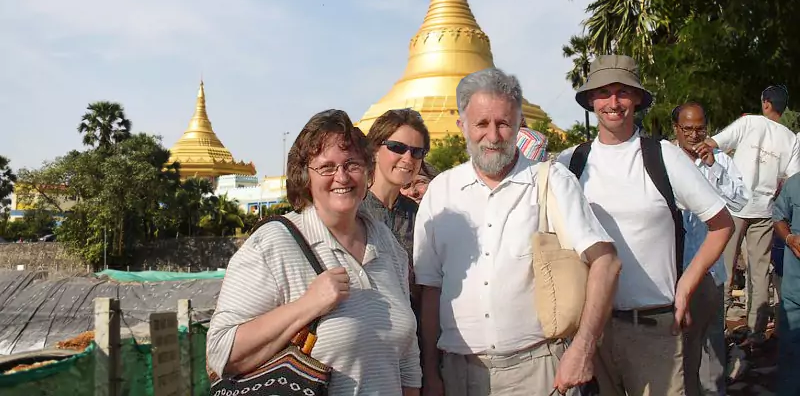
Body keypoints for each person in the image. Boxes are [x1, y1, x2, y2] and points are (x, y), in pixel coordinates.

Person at [414, 67, 621, 396]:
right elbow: (430, 289)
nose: (493, 136)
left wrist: (583, 348)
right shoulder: (442, 192)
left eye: (503, 123)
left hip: (536, 371)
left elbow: (606, 262)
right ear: (462, 126)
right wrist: (429, 373)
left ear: (519, 124)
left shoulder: (551, 182)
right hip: (456, 373)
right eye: (482, 124)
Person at [206, 109, 421, 395]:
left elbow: (406, 357)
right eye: (327, 167)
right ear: (304, 176)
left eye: (352, 164)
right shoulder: (271, 245)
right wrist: (307, 305)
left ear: (368, 170)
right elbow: (221, 353)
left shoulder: (387, 244)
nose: (342, 176)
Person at [557, 55, 734, 396]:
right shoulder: (570, 163)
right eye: (604, 92)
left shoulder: (662, 156)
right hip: (595, 331)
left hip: (656, 328)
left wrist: (686, 285)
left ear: (636, 98)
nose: (613, 102)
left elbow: (721, 223)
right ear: (591, 100)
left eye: (622, 92)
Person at [698, 85, 800, 342]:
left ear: (765, 103)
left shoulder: (750, 123)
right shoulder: (790, 138)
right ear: (782, 107)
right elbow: (791, 179)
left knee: (724, 269)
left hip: (734, 207)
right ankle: (756, 333)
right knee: (759, 271)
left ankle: (718, 329)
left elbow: (713, 143)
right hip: (765, 211)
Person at [672, 103, 748, 396]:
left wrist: (714, 168)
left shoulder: (722, 163)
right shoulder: (665, 162)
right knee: (682, 349)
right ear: (677, 129)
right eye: (687, 129)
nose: (694, 135)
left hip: (712, 269)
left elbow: (742, 202)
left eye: (700, 128)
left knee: (713, 343)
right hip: (677, 269)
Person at [362, 108, 430, 258]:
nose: (408, 158)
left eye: (417, 152)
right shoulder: (354, 210)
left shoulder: (418, 216)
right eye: (397, 148)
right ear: (375, 150)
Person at [772, 172, 800, 396]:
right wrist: (790, 239)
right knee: (790, 349)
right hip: (795, 289)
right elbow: (778, 216)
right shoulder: (795, 183)